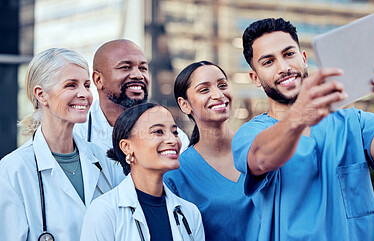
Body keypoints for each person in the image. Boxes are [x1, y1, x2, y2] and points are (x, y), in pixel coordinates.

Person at [232, 18, 374, 240]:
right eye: (268, 62)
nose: (284, 67)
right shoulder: (250, 134)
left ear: (303, 58)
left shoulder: (354, 122)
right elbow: (261, 158)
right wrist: (299, 116)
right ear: (255, 78)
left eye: (289, 54)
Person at [0, 48, 114, 241]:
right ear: (41, 94)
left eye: (86, 85)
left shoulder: (104, 160)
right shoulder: (12, 171)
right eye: (71, 85)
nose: (84, 94)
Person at [80, 102, 205, 241]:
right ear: (127, 146)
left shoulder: (190, 213)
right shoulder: (103, 212)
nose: (173, 140)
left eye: (174, 132)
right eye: (158, 131)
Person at [163, 61, 260, 240]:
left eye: (222, 85)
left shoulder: (259, 146)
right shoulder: (176, 176)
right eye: (204, 89)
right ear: (185, 105)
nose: (218, 94)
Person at [74, 40, 189, 185]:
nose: (138, 75)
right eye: (125, 67)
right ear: (98, 79)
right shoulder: (76, 133)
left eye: (143, 68)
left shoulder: (174, 138)